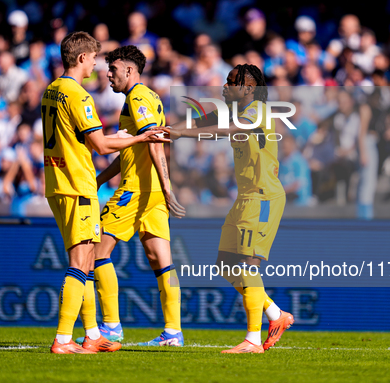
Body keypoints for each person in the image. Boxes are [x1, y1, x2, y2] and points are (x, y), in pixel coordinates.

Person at [43, 31, 168, 355]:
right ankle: (64, 339)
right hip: (76, 184)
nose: (98, 66)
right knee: (83, 260)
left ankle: (94, 333)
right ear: (82, 58)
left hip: (56, 182)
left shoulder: (51, 90)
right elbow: (99, 144)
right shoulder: (78, 95)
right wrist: (140, 139)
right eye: (95, 59)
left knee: (84, 260)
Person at [167, 64, 294, 353]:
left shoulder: (259, 110)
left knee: (248, 266)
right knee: (224, 264)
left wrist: (180, 135)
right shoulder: (235, 110)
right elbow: (203, 123)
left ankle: (252, 339)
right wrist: (171, 130)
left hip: (263, 197)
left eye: (230, 82)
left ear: (248, 88)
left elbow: (228, 128)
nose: (224, 87)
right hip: (245, 198)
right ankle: (276, 315)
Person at [79, 45, 186, 348]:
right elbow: (134, 147)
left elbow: (154, 142)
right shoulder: (150, 96)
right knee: (161, 261)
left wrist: (167, 187)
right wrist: (100, 179)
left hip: (136, 190)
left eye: (112, 69)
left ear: (129, 69)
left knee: (96, 253)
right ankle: (173, 332)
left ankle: (111, 327)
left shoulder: (137, 97)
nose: (108, 74)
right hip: (151, 191)